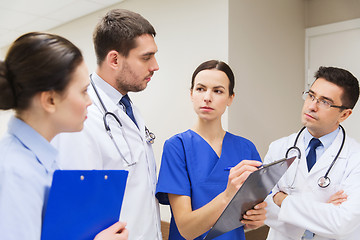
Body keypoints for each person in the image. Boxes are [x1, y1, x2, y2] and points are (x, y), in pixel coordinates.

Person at [0, 32, 128, 240]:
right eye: (84, 91)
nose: (90, 102)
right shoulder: (14, 172)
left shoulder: (45, 160)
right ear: (50, 100)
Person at [53, 9, 162, 239]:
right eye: (146, 57)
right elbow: (74, 210)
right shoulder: (82, 118)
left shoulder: (127, 108)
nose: (155, 66)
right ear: (114, 59)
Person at [156, 60, 267, 240]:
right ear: (191, 94)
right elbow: (186, 229)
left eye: (218, 91)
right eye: (200, 89)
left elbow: (247, 218)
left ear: (231, 98)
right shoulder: (177, 147)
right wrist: (227, 196)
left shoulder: (246, 148)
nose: (207, 97)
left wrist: (255, 219)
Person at [264, 66, 360, 240]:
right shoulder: (278, 148)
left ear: (345, 114)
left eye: (325, 102)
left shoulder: (356, 158)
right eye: (311, 96)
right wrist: (321, 209)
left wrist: (282, 200)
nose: (311, 106)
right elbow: (264, 210)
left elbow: (342, 224)